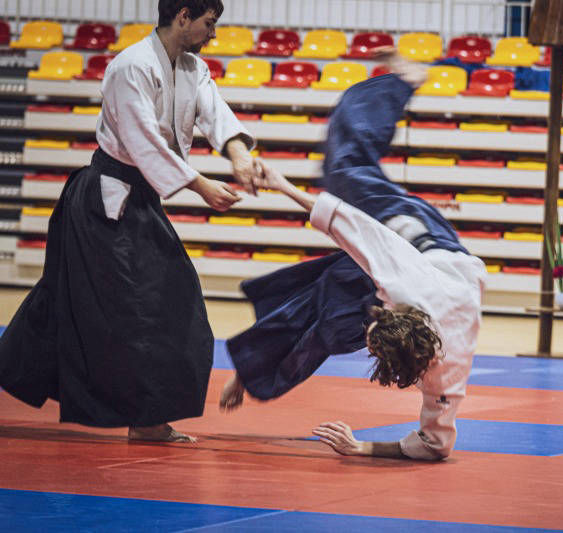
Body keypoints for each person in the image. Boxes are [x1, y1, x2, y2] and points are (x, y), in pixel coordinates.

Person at [0, 0, 264, 442]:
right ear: (183, 16)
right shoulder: (131, 67)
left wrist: (239, 155)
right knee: (130, 308)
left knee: (80, 299)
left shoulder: (190, 67)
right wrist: (200, 185)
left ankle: (145, 417)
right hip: (104, 199)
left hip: (136, 199)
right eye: (209, 23)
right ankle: (147, 420)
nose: (213, 34)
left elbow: (215, 111)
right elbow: (143, 141)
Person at [220, 50, 487, 461]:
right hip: (416, 235)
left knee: (332, 318)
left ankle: (254, 368)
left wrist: (362, 446)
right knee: (346, 170)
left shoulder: (444, 376)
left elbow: (435, 446)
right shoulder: (403, 281)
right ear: (387, 307)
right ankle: (401, 82)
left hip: (437, 277)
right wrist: (282, 184)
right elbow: (345, 223)